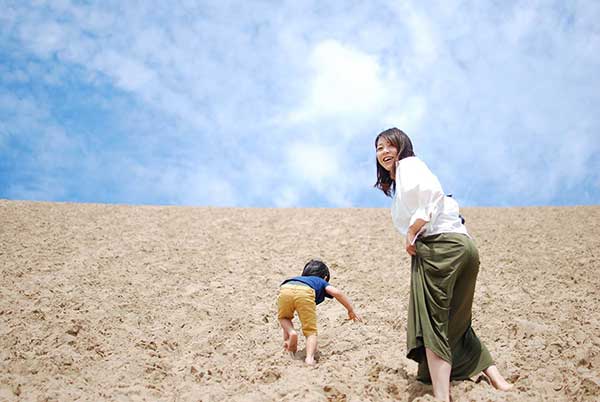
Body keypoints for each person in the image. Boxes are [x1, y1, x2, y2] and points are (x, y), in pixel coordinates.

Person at [374, 128, 512, 401]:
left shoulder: (408, 165)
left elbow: (431, 193)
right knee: (456, 321)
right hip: (465, 247)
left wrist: (412, 230)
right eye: (379, 148)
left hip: (440, 250)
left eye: (390, 145)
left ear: (403, 147)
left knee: (433, 323)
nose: (384, 152)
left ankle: (441, 395)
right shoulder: (404, 177)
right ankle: (498, 380)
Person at [277, 259, 361, 365]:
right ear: (325, 277)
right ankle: (309, 358)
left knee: (284, 318)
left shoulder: (298, 279)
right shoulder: (321, 281)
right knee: (310, 332)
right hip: (305, 292)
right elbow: (336, 293)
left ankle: (291, 334)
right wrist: (350, 310)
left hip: (285, 287)